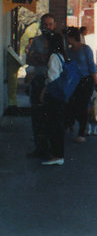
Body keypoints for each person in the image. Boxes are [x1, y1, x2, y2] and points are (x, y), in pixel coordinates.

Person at [25, 13, 57, 157]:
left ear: (54, 25)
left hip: (53, 82)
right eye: (45, 24)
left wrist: (39, 57)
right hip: (38, 80)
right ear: (41, 25)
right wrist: (40, 58)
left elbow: (54, 60)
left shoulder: (57, 41)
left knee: (51, 116)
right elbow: (30, 59)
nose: (47, 27)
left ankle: (51, 148)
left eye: (50, 24)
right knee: (37, 116)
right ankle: (40, 148)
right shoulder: (36, 41)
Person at [64, 27, 97, 143]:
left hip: (86, 80)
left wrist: (96, 81)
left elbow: (91, 65)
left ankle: (81, 132)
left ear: (71, 37)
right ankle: (71, 123)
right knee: (72, 103)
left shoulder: (86, 49)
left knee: (83, 106)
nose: (66, 40)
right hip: (73, 81)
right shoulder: (68, 51)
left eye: (67, 37)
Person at [39, 32, 68, 166]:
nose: (44, 43)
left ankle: (57, 155)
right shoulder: (61, 56)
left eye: (46, 41)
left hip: (53, 96)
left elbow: (52, 78)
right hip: (61, 95)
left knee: (53, 126)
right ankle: (58, 154)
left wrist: (44, 91)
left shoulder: (53, 57)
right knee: (58, 125)